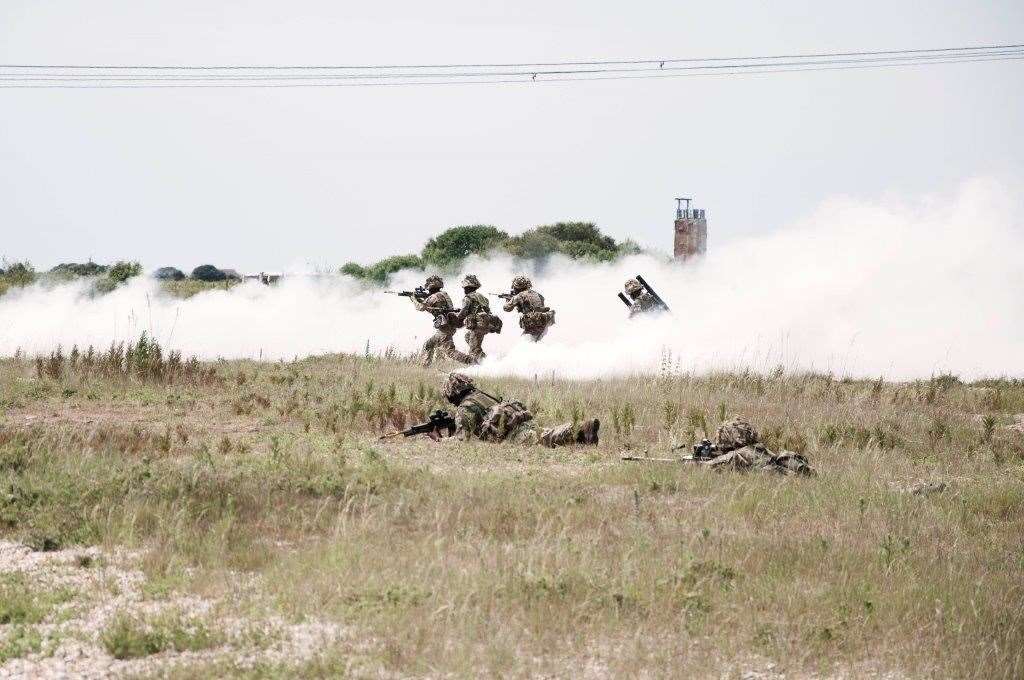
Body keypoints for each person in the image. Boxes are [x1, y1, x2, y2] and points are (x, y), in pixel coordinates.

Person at [441, 372, 599, 447]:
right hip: (521, 422)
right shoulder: (481, 395)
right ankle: (584, 435)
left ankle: (582, 427)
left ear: (451, 393)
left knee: (546, 438)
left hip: (512, 433)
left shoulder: (465, 408)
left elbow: (460, 441)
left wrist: (439, 440)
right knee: (545, 434)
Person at [412, 275, 468, 367]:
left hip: (444, 328)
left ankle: (471, 361)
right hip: (450, 325)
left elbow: (421, 307)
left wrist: (413, 298)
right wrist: (422, 299)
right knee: (430, 345)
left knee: (449, 351)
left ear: (430, 287)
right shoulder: (444, 294)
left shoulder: (433, 297)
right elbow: (433, 306)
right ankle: (425, 367)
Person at [455, 274, 500, 363]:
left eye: (465, 288)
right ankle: (485, 360)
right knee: (468, 337)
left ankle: (480, 367)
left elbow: (464, 312)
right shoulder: (482, 297)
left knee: (473, 351)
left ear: (468, 288)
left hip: (478, 324)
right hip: (486, 324)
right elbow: (485, 309)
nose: (464, 289)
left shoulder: (468, 298)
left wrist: (456, 317)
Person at [502, 275, 555, 342]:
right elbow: (536, 307)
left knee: (524, 343)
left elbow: (506, 308)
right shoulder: (539, 295)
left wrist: (508, 300)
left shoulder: (519, 295)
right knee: (536, 342)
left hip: (532, 324)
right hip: (544, 322)